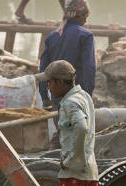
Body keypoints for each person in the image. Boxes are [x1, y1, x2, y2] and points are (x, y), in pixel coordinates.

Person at [38, 0, 96, 150]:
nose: (86, 20)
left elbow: (44, 69)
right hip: (77, 96)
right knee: (70, 139)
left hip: (56, 98)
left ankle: (54, 164)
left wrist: (44, 96)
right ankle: (52, 164)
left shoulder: (52, 36)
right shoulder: (86, 36)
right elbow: (89, 68)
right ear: (79, 15)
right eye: (86, 16)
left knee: (62, 132)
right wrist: (87, 95)